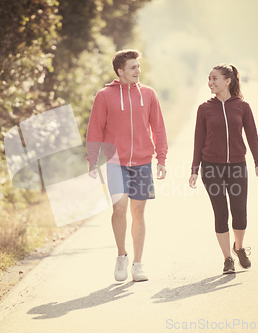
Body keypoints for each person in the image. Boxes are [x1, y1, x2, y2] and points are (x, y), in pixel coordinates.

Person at [86, 49, 168, 282]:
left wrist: (161, 158)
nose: (138, 71)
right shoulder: (104, 96)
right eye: (133, 67)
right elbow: (95, 129)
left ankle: (138, 264)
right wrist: (92, 160)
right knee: (119, 208)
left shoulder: (149, 94)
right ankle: (122, 255)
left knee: (138, 212)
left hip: (143, 162)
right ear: (120, 71)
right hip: (116, 163)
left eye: (139, 67)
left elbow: (158, 128)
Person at [189, 63, 258, 274]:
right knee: (220, 212)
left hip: (237, 167)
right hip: (211, 168)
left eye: (215, 78)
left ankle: (238, 248)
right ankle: (227, 259)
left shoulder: (242, 106)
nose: (210, 82)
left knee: (239, 213)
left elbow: (252, 135)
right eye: (209, 78)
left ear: (228, 81)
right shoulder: (204, 109)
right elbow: (198, 140)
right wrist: (195, 169)